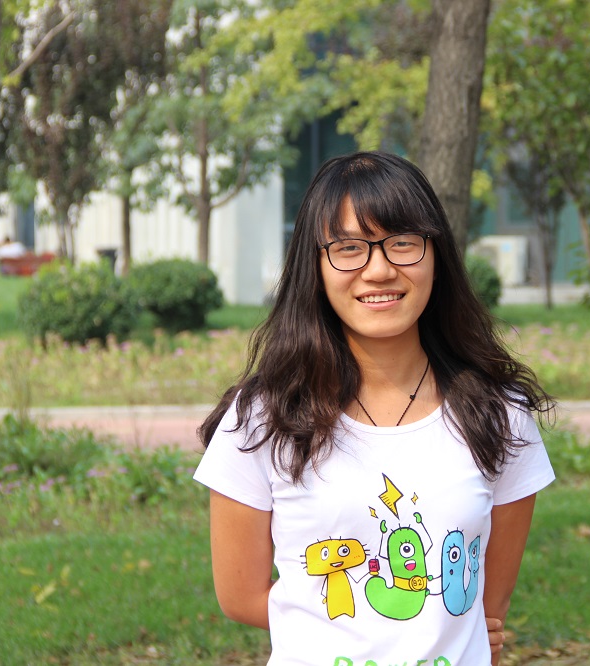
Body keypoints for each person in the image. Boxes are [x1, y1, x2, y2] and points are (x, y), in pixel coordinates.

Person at [194, 151, 555, 666]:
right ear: (315, 266)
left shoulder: (498, 414)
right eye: (348, 248)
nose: (379, 270)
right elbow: (239, 596)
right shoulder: (261, 418)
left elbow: (480, 606)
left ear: (436, 255)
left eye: (402, 243)